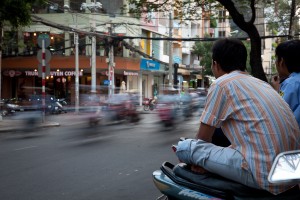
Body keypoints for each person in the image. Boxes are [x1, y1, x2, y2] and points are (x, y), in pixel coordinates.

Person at [175, 38, 300, 195]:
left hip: (265, 175)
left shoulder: (221, 84)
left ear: (215, 64)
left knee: (185, 147)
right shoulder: (262, 84)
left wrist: (200, 160)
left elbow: (202, 139)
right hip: (293, 172)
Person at [271, 40, 300, 125]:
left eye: (277, 58)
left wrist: (276, 91)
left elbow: (280, 113)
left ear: (281, 61)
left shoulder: (291, 84)